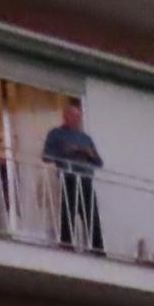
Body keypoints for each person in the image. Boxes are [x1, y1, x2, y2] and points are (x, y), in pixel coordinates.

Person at [42, 100, 104, 254]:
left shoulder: (85, 138)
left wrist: (88, 153)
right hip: (68, 177)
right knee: (68, 211)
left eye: (78, 116)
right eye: (73, 116)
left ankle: (97, 249)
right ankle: (67, 245)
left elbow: (98, 162)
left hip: (85, 179)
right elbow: (46, 157)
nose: (77, 119)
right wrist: (66, 152)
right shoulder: (56, 134)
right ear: (65, 116)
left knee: (91, 214)